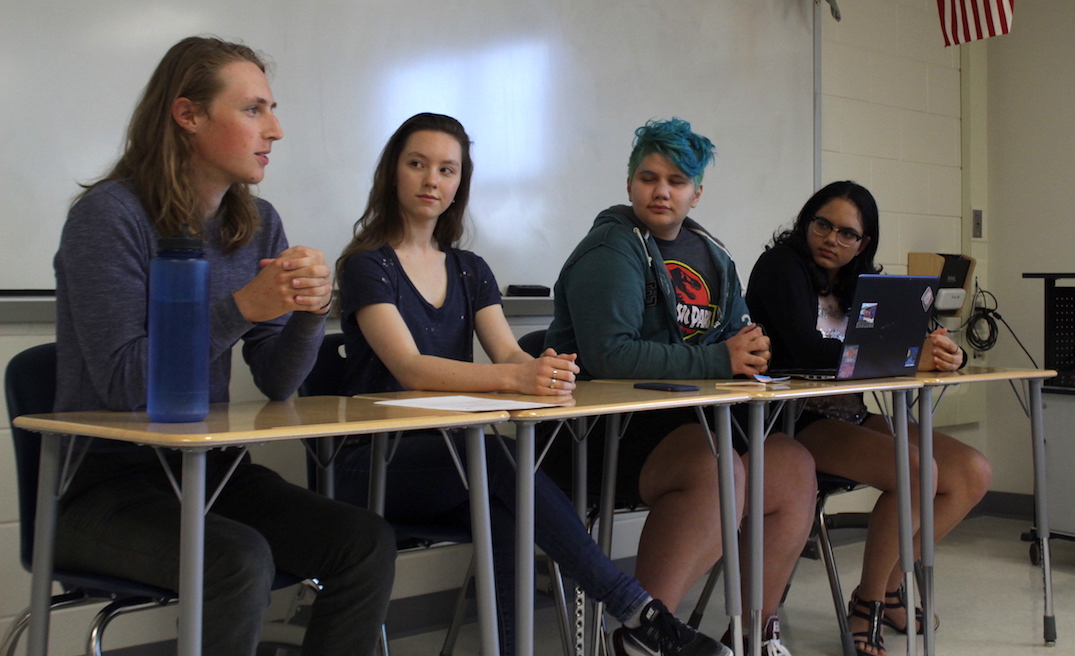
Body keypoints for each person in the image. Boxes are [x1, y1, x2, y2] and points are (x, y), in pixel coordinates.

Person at [334, 112, 729, 656]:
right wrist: (518, 375)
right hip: (371, 460)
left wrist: (547, 372)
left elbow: (510, 354)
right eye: (417, 164)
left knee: (507, 505)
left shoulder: (470, 269)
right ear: (392, 173)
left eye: (447, 170)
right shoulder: (365, 266)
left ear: (459, 183)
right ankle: (638, 610)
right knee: (500, 465)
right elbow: (411, 369)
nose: (432, 180)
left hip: (452, 458)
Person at [52, 36, 395, 656]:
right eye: (254, 110)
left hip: (212, 474)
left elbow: (277, 380)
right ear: (188, 116)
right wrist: (246, 305)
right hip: (105, 491)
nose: (277, 129)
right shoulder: (110, 217)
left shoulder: (257, 222)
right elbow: (125, 385)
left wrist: (311, 310)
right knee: (238, 561)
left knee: (364, 541)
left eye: (272, 109)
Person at [545, 117, 816, 656]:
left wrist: (751, 352)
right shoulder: (611, 248)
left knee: (791, 467)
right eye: (648, 177)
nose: (661, 191)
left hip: (685, 424)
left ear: (697, 192)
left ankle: (751, 634)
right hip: (597, 435)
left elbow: (738, 336)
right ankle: (643, 633)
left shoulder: (712, 254)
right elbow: (609, 355)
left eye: (676, 180)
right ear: (628, 184)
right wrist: (720, 357)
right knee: (717, 468)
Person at [745, 180, 992, 656]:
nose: (830, 240)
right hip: (793, 422)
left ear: (864, 243)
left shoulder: (860, 282)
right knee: (918, 470)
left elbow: (912, 340)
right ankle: (869, 605)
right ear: (805, 222)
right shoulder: (781, 267)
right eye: (822, 225)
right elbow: (805, 349)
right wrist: (904, 354)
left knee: (971, 473)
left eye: (846, 234)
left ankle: (890, 585)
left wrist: (945, 352)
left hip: (850, 416)